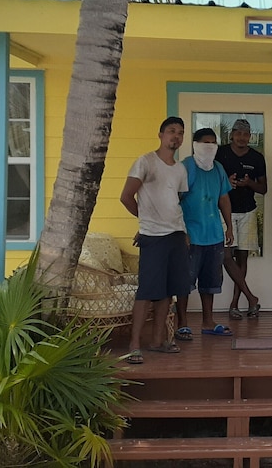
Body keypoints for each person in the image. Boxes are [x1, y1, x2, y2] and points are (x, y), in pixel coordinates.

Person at [119, 117, 189, 364]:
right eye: (171, 131)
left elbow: (175, 202)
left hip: (176, 235)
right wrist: (146, 222)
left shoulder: (180, 169)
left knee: (168, 292)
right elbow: (126, 197)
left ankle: (158, 341)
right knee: (147, 291)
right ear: (160, 134)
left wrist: (183, 233)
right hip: (153, 237)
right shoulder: (146, 162)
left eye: (180, 132)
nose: (176, 136)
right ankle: (134, 345)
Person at [179, 128, 235, 338]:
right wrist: (181, 230)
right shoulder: (186, 167)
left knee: (210, 282)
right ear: (195, 144)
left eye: (213, 142)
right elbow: (175, 199)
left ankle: (208, 322)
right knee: (184, 282)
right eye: (205, 142)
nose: (210, 146)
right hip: (190, 235)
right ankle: (182, 323)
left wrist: (229, 226)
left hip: (214, 235)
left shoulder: (218, 168)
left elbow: (224, 199)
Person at [215, 119, 266, 320]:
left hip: (247, 211)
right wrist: (226, 183)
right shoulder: (220, 153)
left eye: (246, 134)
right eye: (238, 133)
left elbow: (263, 188)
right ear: (232, 135)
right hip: (223, 211)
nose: (242, 138)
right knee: (226, 256)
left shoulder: (257, 157)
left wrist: (249, 183)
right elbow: (209, 179)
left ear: (250, 136)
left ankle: (235, 303)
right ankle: (251, 298)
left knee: (242, 257)